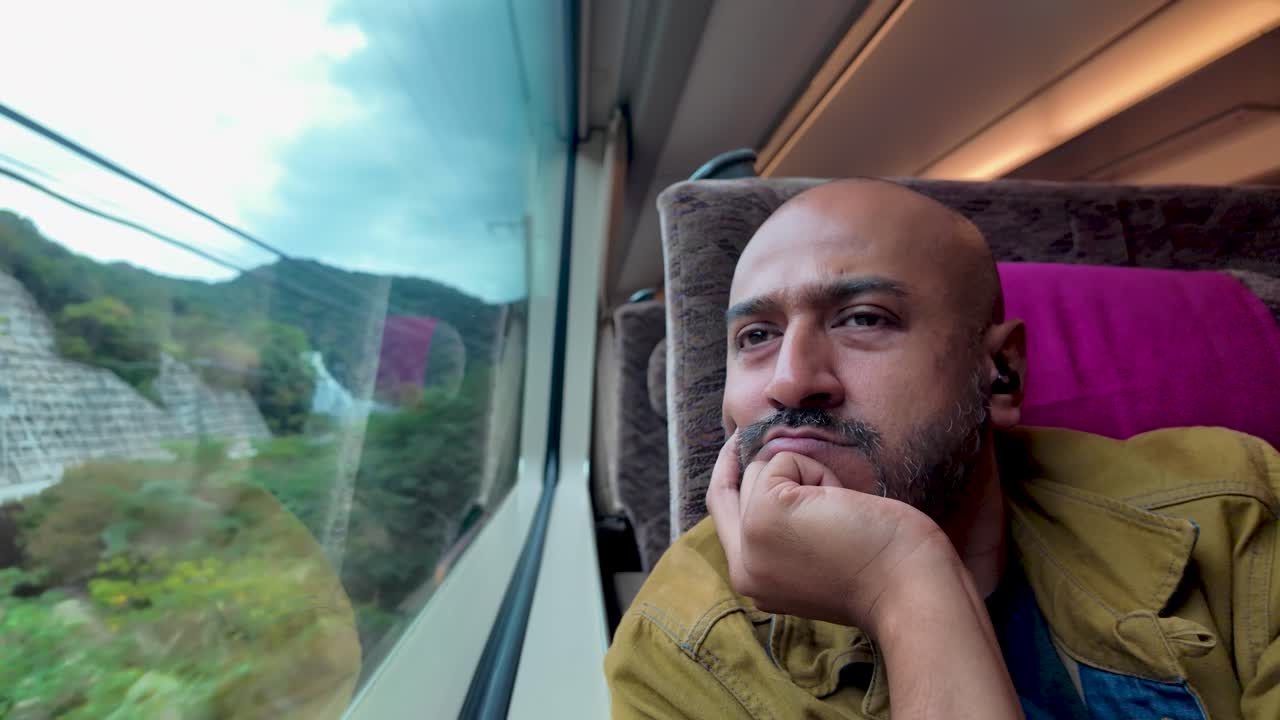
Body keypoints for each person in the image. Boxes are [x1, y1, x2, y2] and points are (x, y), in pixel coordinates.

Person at [604, 179, 1280, 719]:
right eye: (756, 336)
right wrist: (900, 582)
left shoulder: (1238, 508)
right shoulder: (683, 645)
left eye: (864, 319)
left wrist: (900, 582)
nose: (789, 380)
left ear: (1001, 374)